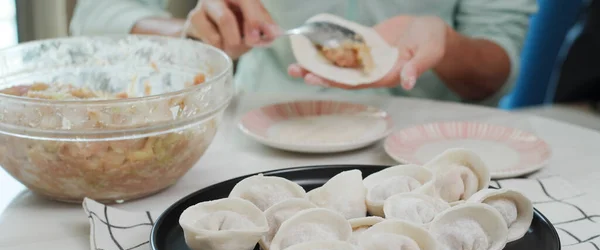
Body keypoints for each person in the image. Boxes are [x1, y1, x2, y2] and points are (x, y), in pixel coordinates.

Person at [70, 0, 537, 106]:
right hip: (255, 137)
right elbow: (91, 15)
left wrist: (447, 45)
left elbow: (501, 67)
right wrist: (194, 31)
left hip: (425, 147)